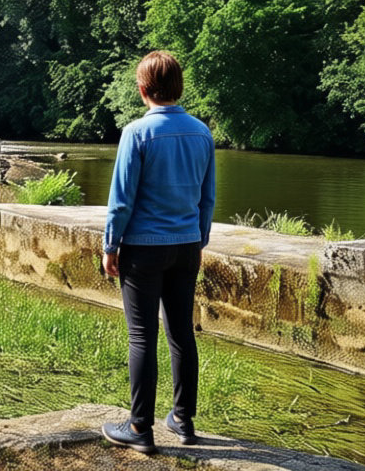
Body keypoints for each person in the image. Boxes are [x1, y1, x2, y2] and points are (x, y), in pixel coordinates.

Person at [100, 50, 216, 454]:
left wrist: (110, 245)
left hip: (143, 250)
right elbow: (207, 198)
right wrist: (197, 241)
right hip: (185, 246)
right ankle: (183, 421)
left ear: (143, 89)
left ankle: (139, 428)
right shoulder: (202, 132)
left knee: (142, 337)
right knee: (182, 333)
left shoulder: (136, 133)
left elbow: (121, 200)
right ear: (178, 87)